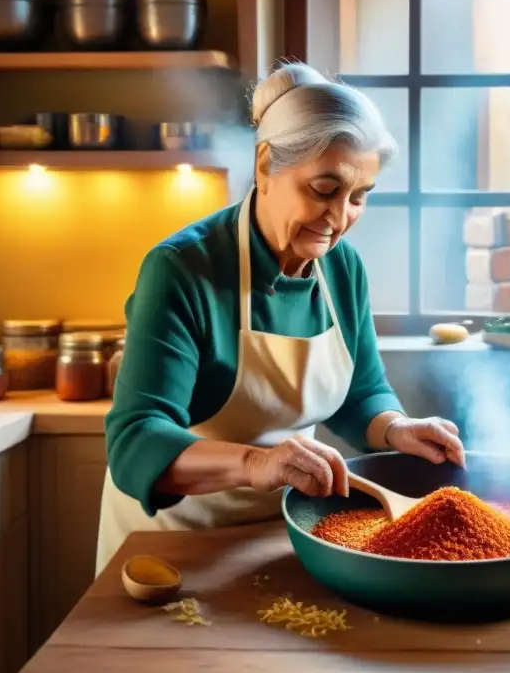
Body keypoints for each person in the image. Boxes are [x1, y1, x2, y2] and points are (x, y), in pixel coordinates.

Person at [95, 62, 466, 574]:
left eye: (358, 197)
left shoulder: (341, 268)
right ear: (266, 164)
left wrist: (398, 428)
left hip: (282, 537)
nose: (339, 220)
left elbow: (360, 394)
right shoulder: (182, 269)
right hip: (174, 545)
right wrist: (257, 463)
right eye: (324, 189)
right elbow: (137, 440)